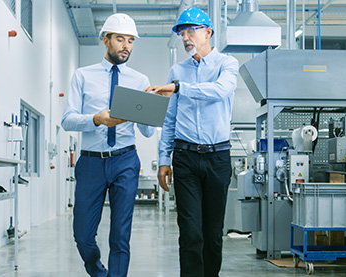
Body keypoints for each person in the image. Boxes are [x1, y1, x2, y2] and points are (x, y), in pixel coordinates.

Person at [145, 7, 239, 277]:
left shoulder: (226, 64)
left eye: (191, 31)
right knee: (190, 231)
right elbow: (170, 119)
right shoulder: (177, 70)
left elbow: (220, 91)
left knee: (212, 233)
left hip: (218, 158)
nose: (185, 37)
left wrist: (179, 87)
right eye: (181, 33)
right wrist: (164, 160)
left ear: (208, 32)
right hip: (185, 158)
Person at [61, 13, 155, 277]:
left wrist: (151, 108)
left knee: (120, 235)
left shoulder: (139, 80)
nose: (126, 46)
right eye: (120, 39)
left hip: (125, 160)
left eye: (130, 41)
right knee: (83, 235)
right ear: (106, 40)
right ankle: (99, 273)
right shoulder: (82, 76)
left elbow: (147, 132)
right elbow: (67, 120)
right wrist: (96, 119)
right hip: (91, 161)